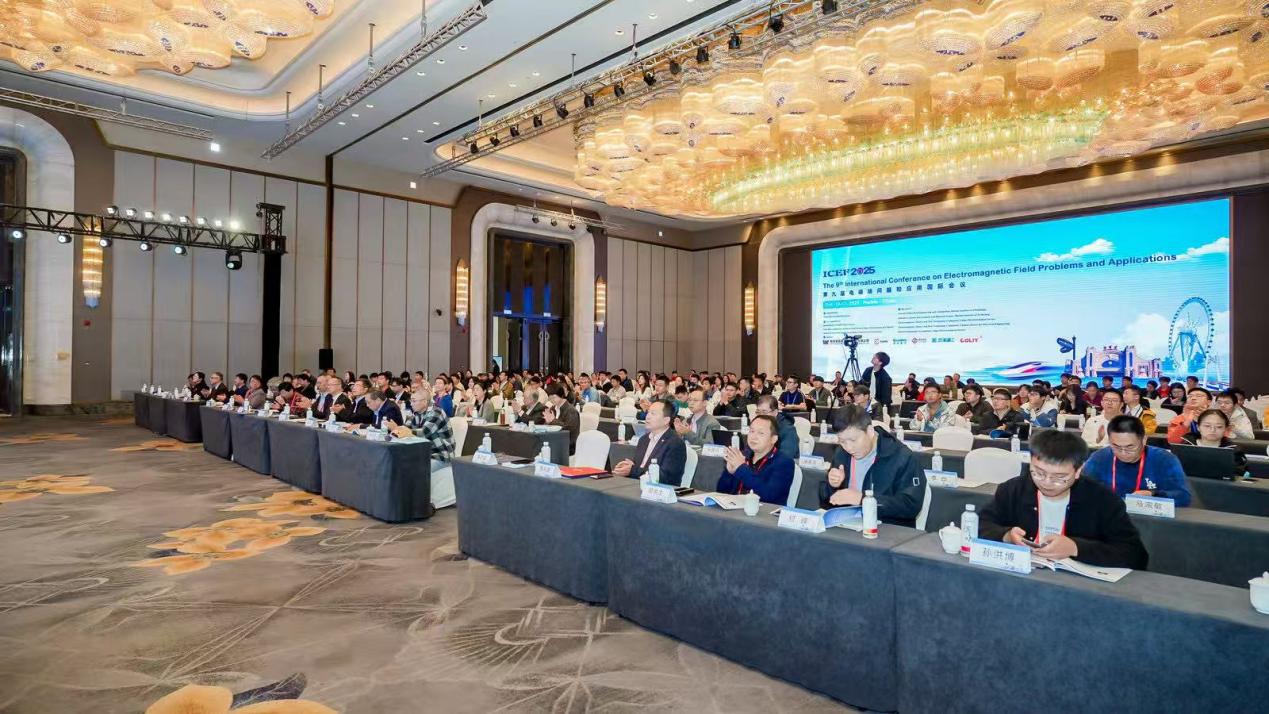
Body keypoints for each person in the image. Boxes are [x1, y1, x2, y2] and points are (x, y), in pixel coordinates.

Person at [977, 429, 1149, 569]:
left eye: (1059, 477)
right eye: (1038, 473)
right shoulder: (1013, 490)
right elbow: (980, 525)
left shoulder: (1103, 500)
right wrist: (1006, 536)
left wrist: (1075, 548)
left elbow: (1135, 555)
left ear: (1078, 470)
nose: (1047, 483)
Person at [818, 404, 926, 526]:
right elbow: (827, 503)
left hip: (888, 529)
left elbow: (910, 506)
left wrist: (863, 499)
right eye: (842, 441)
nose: (849, 447)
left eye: (853, 440)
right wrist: (832, 486)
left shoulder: (902, 457)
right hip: (848, 526)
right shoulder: (841, 453)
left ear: (870, 431)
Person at [1083, 415, 1192, 505]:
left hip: (1148, 519)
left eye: (1130, 447)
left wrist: (1153, 495)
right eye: (1116, 446)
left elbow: (1183, 496)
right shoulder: (1100, 457)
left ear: (1144, 440)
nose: (1123, 453)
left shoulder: (1164, 459)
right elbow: (1081, 488)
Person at [716, 415, 796, 505]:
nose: (754, 437)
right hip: (735, 508)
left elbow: (768, 495)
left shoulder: (784, 463)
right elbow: (721, 492)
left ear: (773, 439)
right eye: (752, 431)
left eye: (761, 433)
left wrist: (741, 468)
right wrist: (729, 473)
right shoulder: (742, 456)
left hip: (764, 511)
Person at [612, 400, 688, 486]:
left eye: (653, 414)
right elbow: (640, 468)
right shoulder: (643, 439)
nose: (647, 417)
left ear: (666, 420)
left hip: (660, 490)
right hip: (638, 485)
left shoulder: (675, 443)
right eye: (648, 412)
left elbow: (666, 478)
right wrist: (628, 467)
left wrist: (633, 470)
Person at [1179, 409, 1248, 478]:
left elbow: (1238, 475)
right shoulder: (1185, 446)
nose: (1212, 430)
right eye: (1207, 426)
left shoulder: (1234, 451)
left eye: (1219, 427)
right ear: (1198, 427)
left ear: (1225, 429)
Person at [755, 395, 800, 461]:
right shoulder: (759, 426)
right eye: (758, 412)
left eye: (764, 412)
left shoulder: (787, 429)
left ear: (775, 412)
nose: (760, 416)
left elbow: (785, 457)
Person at [542, 384, 581, 448]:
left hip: (567, 445)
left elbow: (568, 430)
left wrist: (553, 421)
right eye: (550, 398)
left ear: (561, 395)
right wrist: (547, 423)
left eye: (554, 397)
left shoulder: (571, 411)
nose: (551, 400)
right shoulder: (553, 408)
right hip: (554, 441)